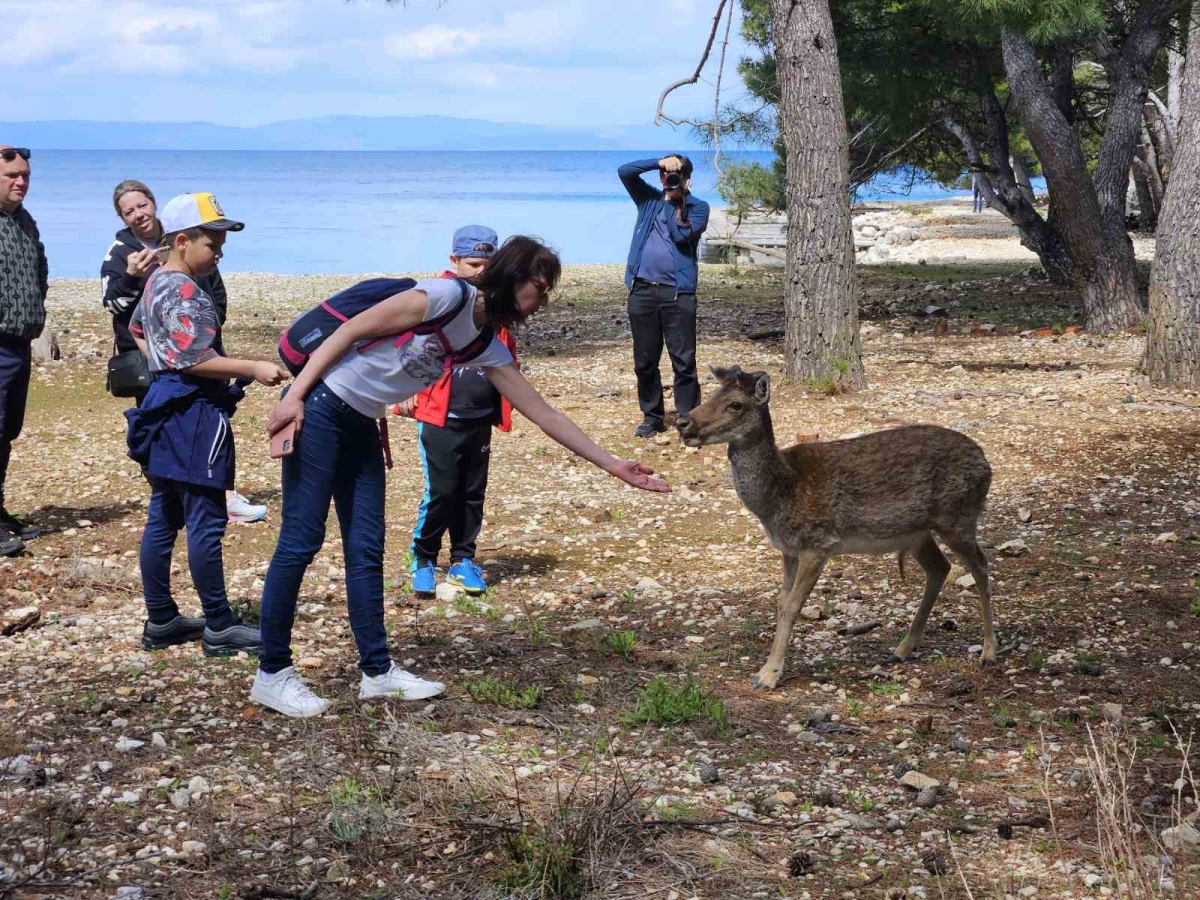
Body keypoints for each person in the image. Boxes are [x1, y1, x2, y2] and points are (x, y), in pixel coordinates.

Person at [253, 236, 668, 718]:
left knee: (366, 547)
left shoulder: (485, 342)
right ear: (513, 279)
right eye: (539, 286)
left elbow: (543, 412)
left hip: (363, 421)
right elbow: (347, 334)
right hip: (324, 408)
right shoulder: (445, 297)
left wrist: (614, 465)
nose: (542, 300)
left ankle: (377, 672)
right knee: (301, 540)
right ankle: (273, 674)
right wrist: (295, 396)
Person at [125, 193, 288, 656]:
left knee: (164, 515)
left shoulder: (156, 280)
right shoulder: (184, 290)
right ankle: (219, 624)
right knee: (204, 518)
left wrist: (162, 363)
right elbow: (194, 358)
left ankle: (161, 618)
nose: (219, 252)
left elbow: (138, 330)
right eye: (212, 243)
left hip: (160, 406)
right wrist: (252, 367)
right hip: (192, 413)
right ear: (182, 240)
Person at [102, 179, 268, 524]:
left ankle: (195, 498)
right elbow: (119, 308)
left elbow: (216, 297)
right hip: (165, 373)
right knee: (172, 440)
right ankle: (191, 499)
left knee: (188, 449)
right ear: (122, 217)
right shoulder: (123, 252)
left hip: (191, 360)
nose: (138, 214)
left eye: (141, 206)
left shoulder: (195, 244)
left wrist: (202, 326)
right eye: (128, 211)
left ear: (153, 204)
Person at [395, 225, 512, 598]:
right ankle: (424, 558)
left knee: (473, 491)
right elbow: (409, 346)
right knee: (442, 491)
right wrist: (407, 390)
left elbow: (506, 355)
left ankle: (463, 560)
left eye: (487, 264)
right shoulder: (440, 297)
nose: (481, 271)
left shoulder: (497, 302)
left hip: (479, 414)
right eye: (474, 263)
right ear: (455, 261)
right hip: (440, 413)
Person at [618, 154, 710, 438]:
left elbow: (682, 237)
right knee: (644, 362)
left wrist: (674, 201)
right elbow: (625, 170)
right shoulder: (648, 201)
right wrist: (659, 161)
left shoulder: (698, 208)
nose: (670, 179)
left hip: (677, 294)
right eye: (667, 175)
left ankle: (688, 420)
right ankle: (652, 417)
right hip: (643, 290)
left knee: (683, 361)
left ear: (688, 179)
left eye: (677, 175)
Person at [0, 146, 47, 557]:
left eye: (25, 176)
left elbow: (40, 269)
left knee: (7, 430)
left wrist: (38, 310)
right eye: (12, 175)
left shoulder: (24, 220)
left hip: (21, 342)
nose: (20, 182)